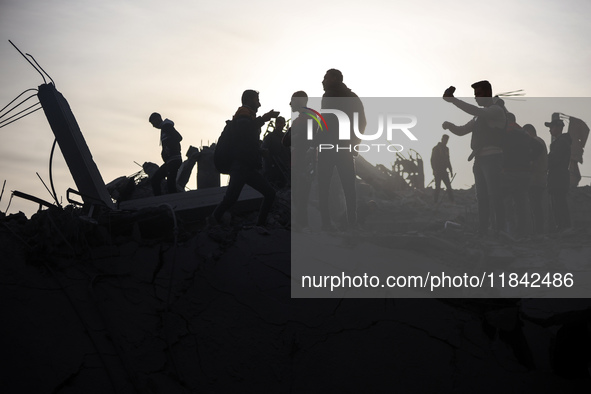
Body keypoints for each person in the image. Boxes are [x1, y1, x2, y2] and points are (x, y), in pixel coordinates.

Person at [442, 81, 506, 236]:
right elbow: (462, 130)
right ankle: (484, 229)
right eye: (475, 94)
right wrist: (450, 126)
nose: (476, 97)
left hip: (492, 158)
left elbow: (476, 111)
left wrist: (453, 100)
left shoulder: (496, 111)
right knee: (482, 196)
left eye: (478, 94)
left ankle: (500, 230)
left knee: (495, 194)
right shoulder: (479, 117)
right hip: (479, 160)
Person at [209, 90, 278, 228]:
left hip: (247, 167)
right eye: (257, 99)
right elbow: (245, 131)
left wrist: (259, 151)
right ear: (249, 100)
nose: (259, 103)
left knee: (269, 194)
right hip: (240, 167)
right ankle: (211, 222)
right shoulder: (243, 114)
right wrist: (264, 118)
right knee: (230, 199)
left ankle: (260, 225)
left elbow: (244, 143)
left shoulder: (248, 117)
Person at [317, 69, 366, 231]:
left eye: (326, 78)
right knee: (349, 188)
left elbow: (324, 123)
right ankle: (352, 223)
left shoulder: (329, 96)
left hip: (328, 149)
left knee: (323, 187)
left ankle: (326, 224)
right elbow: (362, 122)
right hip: (345, 149)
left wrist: (316, 143)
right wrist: (355, 144)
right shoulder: (353, 98)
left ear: (335, 78)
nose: (322, 81)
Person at [284, 91, 316, 230]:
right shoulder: (299, 120)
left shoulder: (309, 118)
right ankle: (302, 225)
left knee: (301, 194)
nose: (290, 103)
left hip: (304, 161)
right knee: (298, 194)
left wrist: (296, 136)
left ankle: (302, 226)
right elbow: (285, 141)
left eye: (293, 100)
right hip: (298, 161)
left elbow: (310, 140)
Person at [545, 113, 572, 231]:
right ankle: (563, 227)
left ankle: (563, 227)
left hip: (558, 178)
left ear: (558, 128)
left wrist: (544, 163)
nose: (550, 130)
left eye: (551, 127)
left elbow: (554, 159)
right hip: (558, 177)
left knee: (559, 203)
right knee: (558, 203)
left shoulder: (561, 143)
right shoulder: (561, 142)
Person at [148, 112, 183, 196]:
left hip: (174, 160)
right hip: (169, 161)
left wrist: (169, 148)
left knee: (170, 182)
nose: (153, 126)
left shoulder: (167, 127)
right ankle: (160, 199)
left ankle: (172, 200)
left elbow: (179, 137)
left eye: (153, 123)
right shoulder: (164, 129)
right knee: (156, 179)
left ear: (157, 119)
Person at [523, 123, 548, 234]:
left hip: (536, 178)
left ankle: (538, 231)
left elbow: (533, 160)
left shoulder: (536, 141)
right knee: (536, 205)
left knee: (535, 206)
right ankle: (538, 230)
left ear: (529, 132)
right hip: (540, 178)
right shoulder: (540, 141)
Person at [262, 116, 290, 189]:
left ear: (284, 124)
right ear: (275, 124)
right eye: (278, 122)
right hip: (272, 169)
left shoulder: (286, 137)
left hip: (284, 169)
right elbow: (264, 151)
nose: (279, 125)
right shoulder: (270, 137)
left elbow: (289, 152)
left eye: (281, 123)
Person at [430, 134, 454, 203]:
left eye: (447, 140)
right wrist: (434, 169)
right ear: (442, 139)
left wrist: (451, 170)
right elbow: (432, 160)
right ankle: (435, 201)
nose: (446, 141)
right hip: (437, 171)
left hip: (444, 171)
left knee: (449, 187)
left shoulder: (446, 149)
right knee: (437, 187)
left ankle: (452, 201)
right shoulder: (436, 148)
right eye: (445, 140)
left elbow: (448, 161)